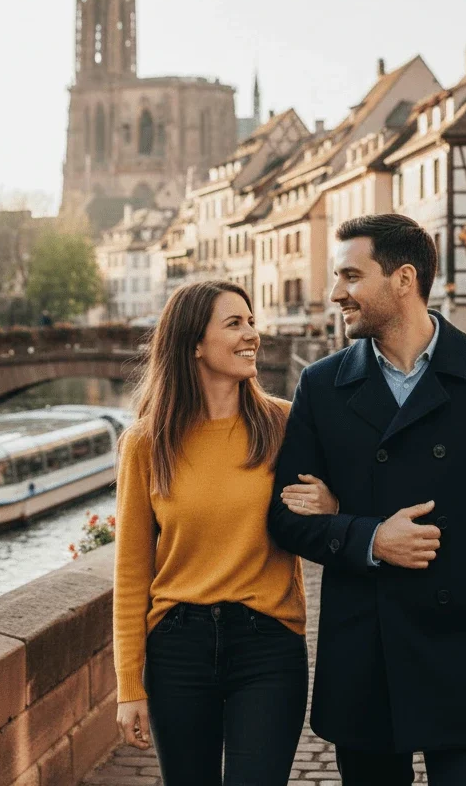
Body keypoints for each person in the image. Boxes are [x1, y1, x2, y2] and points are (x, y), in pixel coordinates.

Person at [269, 214, 466, 786]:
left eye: (349, 275)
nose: (335, 293)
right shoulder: (322, 385)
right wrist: (370, 538)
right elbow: (284, 519)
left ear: (404, 279)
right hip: (367, 652)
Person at [114, 280, 337, 786]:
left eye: (252, 321)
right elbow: (131, 574)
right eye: (234, 324)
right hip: (176, 650)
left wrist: (334, 503)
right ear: (194, 342)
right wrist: (130, 685)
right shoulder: (147, 444)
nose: (252, 335)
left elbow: (334, 514)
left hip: (267, 645)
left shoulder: (283, 423)